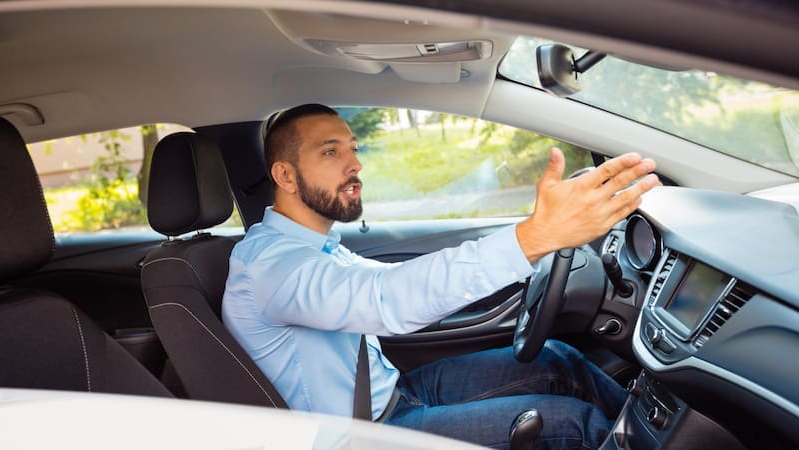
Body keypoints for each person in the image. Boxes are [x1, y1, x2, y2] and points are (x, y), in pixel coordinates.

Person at [222, 104, 660, 449]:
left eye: (353, 148)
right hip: (358, 436)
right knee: (575, 426)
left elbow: (403, 279)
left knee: (559, 361)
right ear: (284, 175)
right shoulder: (270, 265)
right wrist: (534, 237)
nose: (354, 164)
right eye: (331, 151)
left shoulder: (312, 248)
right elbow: (387, 299)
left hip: (393, 394)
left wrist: (528, 244)